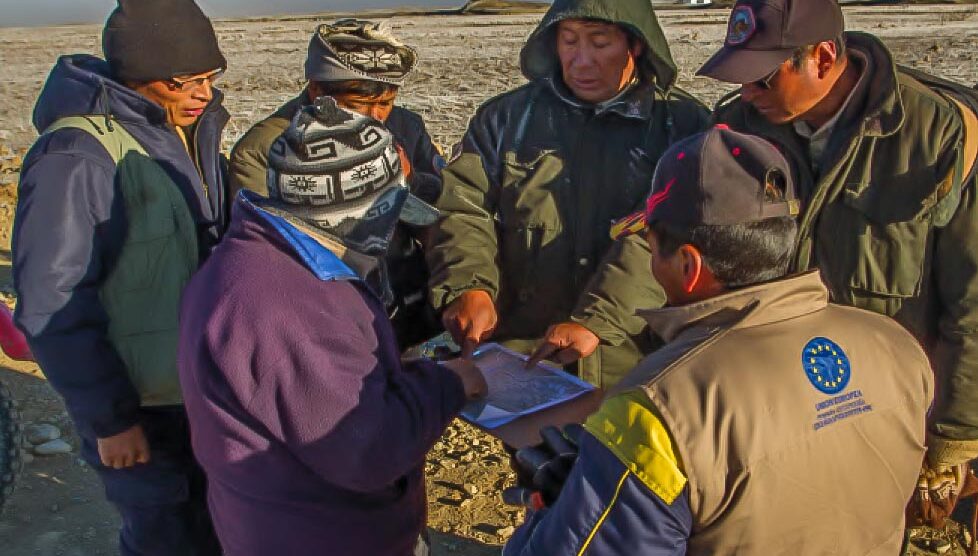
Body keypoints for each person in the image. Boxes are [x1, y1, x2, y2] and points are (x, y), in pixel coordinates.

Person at [503, 126, 934, 555]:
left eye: (650, 247)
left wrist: (557, 514)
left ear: (688, 266)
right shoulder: (895, 345)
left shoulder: (658, 408)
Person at [699, 0, 978, 529]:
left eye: (762, 78)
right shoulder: (736, 128)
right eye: (740, 78)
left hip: (887, 405)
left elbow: (971, 300)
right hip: (772, 404)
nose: (747, 93)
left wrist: (952, 438)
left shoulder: (937, 133)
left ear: (823, 58)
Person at [177, 97, 487, 556]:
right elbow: (365, 449)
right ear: (352, 214)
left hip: (283, 520)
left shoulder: (264, 259)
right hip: (320, 536)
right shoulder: (287, 305)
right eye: (391, 212)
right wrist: (448, 384)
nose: (394, 233)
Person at [12, 0, 230, 554]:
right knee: (167, 537)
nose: (203, 94)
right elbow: (52, 302)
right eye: (184, 81)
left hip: (200, 390)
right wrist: (110, 420)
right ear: (139, 73)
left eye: (210, 77)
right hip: (143, 405)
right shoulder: (76, 156)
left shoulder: (187, 130)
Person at [427, 0, 710, 388]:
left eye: (600, 43)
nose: (582, 61)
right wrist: (468, 285)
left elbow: (666, 233)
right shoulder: (505, 119)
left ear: (636, 44)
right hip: (524, 353)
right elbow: (463, 206)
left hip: (636, 358)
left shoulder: (683, 126)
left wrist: (598, 322)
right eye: (569, 41)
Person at [230, 19, 444, 348]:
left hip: (409, 311)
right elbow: (271, 253)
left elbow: (440, 215)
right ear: (317, 90)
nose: (375, 117)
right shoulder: (266, 148)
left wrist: (410, 180)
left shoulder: (407, 127)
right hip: (327, 321)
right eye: (357, 105)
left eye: (385, 104)